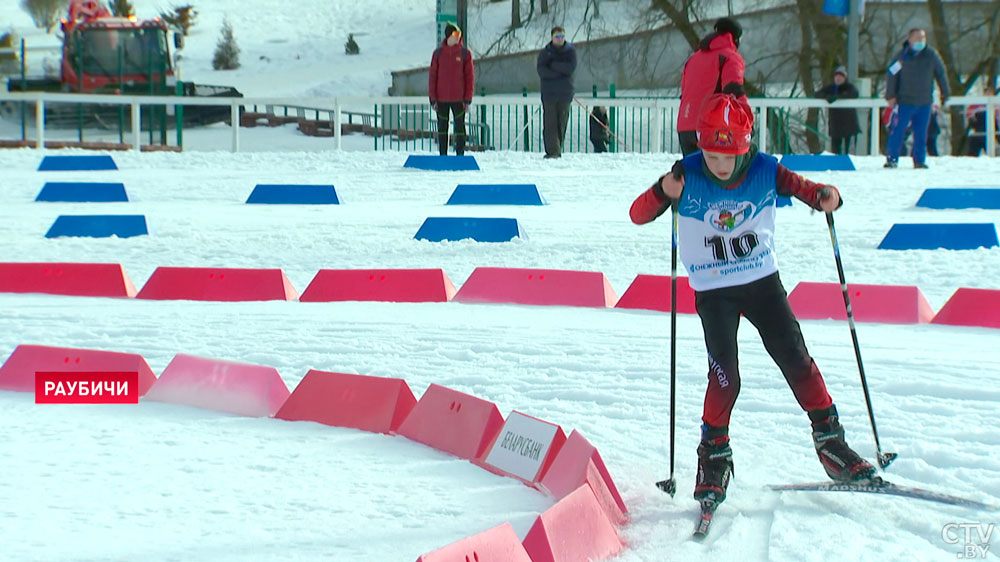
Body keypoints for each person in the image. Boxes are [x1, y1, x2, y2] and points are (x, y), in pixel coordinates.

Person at [629, 87, 876, 509]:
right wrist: (662, 190)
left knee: (795, 358)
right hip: (713, 292)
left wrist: (825, 196)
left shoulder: (766, 169)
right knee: (726, 377)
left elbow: (807, 189)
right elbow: (637, 214)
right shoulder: (686, 173)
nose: (719, 165)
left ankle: (832, 444)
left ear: (745, 148)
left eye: (728, 157)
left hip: (762, 283)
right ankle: (714, 456)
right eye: (711, 155)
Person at [677, 17, 745, 156]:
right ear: (735, 38)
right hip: (710, 127)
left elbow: (684, 92)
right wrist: (745, 119)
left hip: (685, 125)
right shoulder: (730, 57)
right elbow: (733, 90)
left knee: (693, 175)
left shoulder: (693, 59)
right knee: (719, 175)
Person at [884, 28, 949, 169]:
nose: (921, 41)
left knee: (921, 134)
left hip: (924, 102)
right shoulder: (902, 56)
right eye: (918, 38)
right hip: (904, 102)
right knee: (897, 131)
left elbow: (941, 74)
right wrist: (890, 95)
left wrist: (945, 93)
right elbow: (892, 75)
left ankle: (919, 160)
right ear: (910, 39)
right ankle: (892, 159)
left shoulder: (931, 55)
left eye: (923, 38)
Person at [429, 22, 474, 156]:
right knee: (442, 128)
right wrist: (432, 98)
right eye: (455, 34)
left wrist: (467, 98)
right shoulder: (438, 54)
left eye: (459, 34)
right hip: (441, 99)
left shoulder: (465, 54)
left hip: (459, 99)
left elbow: (469, 77)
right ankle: (443, 155)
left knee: (460, 128)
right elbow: (432, 77)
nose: (458, 37)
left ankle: (460, 154)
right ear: (448, 36)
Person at [537, 26, 577, 158]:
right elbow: (542, 71)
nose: (559, 39)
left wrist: (554, 65)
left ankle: (557, 148)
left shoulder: (570, 52)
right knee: (550, 124)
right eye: (557, 36)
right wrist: (559, 72)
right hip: (549, 94)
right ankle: (552, 151)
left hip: (565, 93)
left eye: (562, 36)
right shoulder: (545, 53)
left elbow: (569, 69)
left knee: (561, 123)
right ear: (552, 37)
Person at [814, 66, 860, 154]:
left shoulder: (849, 87)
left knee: (849, 152)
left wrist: (837, 97)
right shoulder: (830, 88)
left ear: (845, 78)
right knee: (835, 151)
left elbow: (853, 94)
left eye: (841, 76)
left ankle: (848, 166)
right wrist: (827, 97)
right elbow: (817, 94)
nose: (838, 78)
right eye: (836, 76)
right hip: (835, 124)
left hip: (849, 125)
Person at [966, 85, 998, 156]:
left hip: (991, 132)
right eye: (987, 93)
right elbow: (969, 113)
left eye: (990, 93)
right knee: (973, 152)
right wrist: (973, 121)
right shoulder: (977, 104)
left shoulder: (996, 105)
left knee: (991, 152)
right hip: (979, 130)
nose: (988, 95)